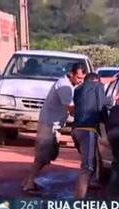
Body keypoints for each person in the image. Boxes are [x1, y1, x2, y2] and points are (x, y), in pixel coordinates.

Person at [22, 62, 87, 194]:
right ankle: (28, 184)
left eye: (82, 79)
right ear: (72, 74)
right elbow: (72, 110)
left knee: (47, 156)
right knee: (42, 156)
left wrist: (113, 78)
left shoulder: (69, 84)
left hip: (53, 125)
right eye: (78, 78)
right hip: (49, 125)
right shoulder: (65, 86)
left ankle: (27, 181)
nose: (80, 81)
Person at [71, 73, 112, 198]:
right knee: (87, 167)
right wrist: (107, 125)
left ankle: (81, 195)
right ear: (96, 80)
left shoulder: (77, 89)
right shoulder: (97, 86)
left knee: (89, 163)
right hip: (88, 130)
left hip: (75, 130)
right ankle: (78, 201)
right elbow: (101, 107)